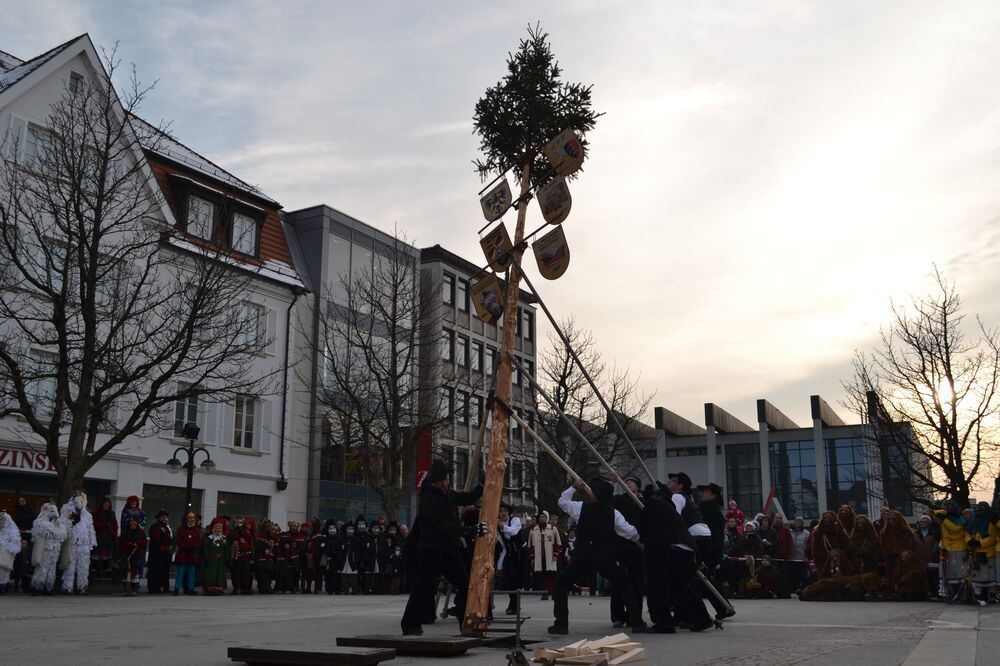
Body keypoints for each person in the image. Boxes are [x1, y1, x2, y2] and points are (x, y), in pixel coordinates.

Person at [549, 477, 645, 635]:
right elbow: (631, 533)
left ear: (596, 494)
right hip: (604, 556)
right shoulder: (613, 513)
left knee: (561, 584)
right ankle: (637, 623)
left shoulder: (582, 508)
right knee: (625, 583)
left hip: (583, 556)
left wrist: (574, 487)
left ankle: (561, 624)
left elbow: (563, 501)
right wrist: (641, 538)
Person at [400, 459, 483, 636]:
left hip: (448, 550)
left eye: (447, 479)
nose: (446, 483)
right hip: (431, 550)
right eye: (443, 480)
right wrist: (470, 530)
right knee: (422, 587)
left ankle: (466, 624)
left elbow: (465, 497)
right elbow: (444, 525)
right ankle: (409, 624)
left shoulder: (448, 494)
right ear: (434, 481)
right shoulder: (429, 500)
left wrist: (481, 486)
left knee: (464, 584)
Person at [610, 477, 645, 628]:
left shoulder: (644, 502)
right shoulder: (619, 500)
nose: (628, 483)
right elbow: (605, 499)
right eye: (627, 481)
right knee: (618, 581)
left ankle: (634, 616)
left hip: (638, 547)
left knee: (637, 583)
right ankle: (618, 616)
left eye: (631, 481)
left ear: (638, 485)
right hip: (620, 545)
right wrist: (612, 483)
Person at [697, 482, 734, 620]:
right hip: (714, 550)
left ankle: (723, 608)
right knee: (707, 581)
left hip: (709, 550)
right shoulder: (714, 508)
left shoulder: (706, 507)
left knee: (702, 580)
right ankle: (724, 607)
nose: (702, 494)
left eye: (705, 492)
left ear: (713, 495)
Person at [30, 503, 67, 596]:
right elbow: (44, 531)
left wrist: (57, 529)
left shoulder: (58, 523)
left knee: (51, 568)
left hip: (54, 550)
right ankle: (37, 587)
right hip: (44, 549)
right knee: (42, 567)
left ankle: (49, 587)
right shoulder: (40, 522)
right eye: (51, 511)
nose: (54, 514)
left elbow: (63, 534)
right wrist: (56, 531)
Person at [965, 501, 996, 605]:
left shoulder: (991, 522)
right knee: (977, 575)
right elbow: (967, 533)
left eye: (982, 509)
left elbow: (993, 537)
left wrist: (980, 543)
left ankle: (990, 595)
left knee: (989, 575)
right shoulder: (972, 521)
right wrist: (969, 541)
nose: (979, 510)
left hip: (987, 552)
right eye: (978, 508)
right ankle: (978, 596)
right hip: (975, 553)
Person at [496, 502, 524, 615]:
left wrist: (501, 526)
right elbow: (503, 548)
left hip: (521, 553)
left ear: (508, 512)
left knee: (517, 580)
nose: (503, 513)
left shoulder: (515, 520)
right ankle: (512, 604)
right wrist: (499, 566)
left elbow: (513, 531)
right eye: (501, 511)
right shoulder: (498, 528)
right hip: (510, 554)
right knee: (509, 580)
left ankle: (515, 605)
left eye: (505, 511)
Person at [530, 510, 561, 600]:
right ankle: (544, 593)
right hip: (539, 557)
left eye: (543, 517)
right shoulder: (534, 530)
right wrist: (532, 557)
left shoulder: (552, 529)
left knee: (551, 574)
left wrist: (556, 554)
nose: (541, 518)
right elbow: (531, 545)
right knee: (541, 575)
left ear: (546, 518)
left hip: (550, 556)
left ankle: (553, 592)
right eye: (540, 517)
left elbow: (557, 543)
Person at [174, 511, 201, 595]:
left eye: (193, 518)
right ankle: (177, 588)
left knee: (191, 573)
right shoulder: (181, 529)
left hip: (192, 554)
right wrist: (185, 547)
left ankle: (191, 588)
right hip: (183, 553)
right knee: (180, 572)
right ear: (186, 519)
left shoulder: (197, 530)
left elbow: (198, 541)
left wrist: (193, 547)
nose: (192, 519)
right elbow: (178, 540)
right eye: (190, 517)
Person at [913, 514, 940, 598]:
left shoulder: (934, 534)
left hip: (931, 558)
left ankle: (934, 593)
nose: (922, 523)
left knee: (932, 576)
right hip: (919, 559)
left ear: (929, 523)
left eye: (924, 522)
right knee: (919, 577)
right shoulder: (915, 534)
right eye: (921, 522)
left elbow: (937, 545)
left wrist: (934, 551)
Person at [118, 516, 146, 597]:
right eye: (132, 522)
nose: (133, 524)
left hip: (136, 555)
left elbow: (144, 542)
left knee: (135, 573)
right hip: (126, 556)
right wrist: (129, 544)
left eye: (135, 522)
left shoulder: (140, 532)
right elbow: (121, 543)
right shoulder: (125, 532)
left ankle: (133, 590)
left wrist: (138, 543)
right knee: (125, 573)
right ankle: (126, 589)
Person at [147, 510, 174, 593]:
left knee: (165, 571)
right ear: (159, 518)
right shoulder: (154, 527)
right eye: (163, 517)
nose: (165, 518)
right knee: (155, 571)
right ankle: (153, 588)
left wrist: (168, 548)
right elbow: (155, 540)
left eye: (165, 517)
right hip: (156, 553)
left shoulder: (167, 528)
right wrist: (162, 547)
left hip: (165, 553)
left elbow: (169, 539)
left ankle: (165, 587)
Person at [91, 497, 118, 580]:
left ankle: (106, 572)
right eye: (105, 504)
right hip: (98, 536)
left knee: (107, 555)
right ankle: (95, 572)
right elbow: (93, 524)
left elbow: (115, 525)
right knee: (97, 555)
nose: (107, 505)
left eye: (108, 504)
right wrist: (102, 524)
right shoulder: (97, 513)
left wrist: (114, 533)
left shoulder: (112, 513)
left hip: (108, 537)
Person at [202, 518, 229, 595]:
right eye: (216, 528)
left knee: (220, 573)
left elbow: (226, 549)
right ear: (213, 528)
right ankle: (209, 588)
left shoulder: (224, 539)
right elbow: (205, 549)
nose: (218, 530)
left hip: (221, 560)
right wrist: (206, 558)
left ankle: (219, 588)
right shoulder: (208, 539)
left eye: (220, 528)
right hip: (211, 560)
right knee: (211, 573)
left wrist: (227, 558)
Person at [228, 517, 255, 595]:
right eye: (237, 522)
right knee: (235, 574)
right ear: (234, 524)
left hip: (246, 557)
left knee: (245, 574)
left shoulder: (246, 533)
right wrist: (230, 558)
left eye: (240, 523)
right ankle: (236, 588)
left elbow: (251, 545)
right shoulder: (231, 534)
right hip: (236, 557)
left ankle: (245, 588)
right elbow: (228, 546)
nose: (239, 524)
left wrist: (252, 556)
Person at [0, 511, 21, 594]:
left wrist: (8, 550)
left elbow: (15, 543)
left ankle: (3, 586)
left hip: (5, 555)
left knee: (4, 571)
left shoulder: (12, 530)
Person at [788, 517, 809, 592]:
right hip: (791, 557)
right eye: (796, 521)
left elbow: (808, 545)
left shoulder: (806, 533)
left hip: (802, 558)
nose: (798, 522)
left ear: (802, 524)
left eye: (799, 521)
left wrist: (806, 556)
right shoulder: (789, 532)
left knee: (803, 575)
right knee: (792, 574)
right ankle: (792, 589)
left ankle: (802, 588)